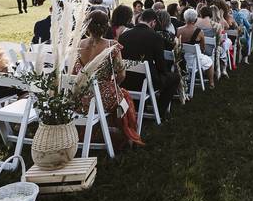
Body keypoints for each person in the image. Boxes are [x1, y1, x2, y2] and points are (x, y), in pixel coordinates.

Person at [72, 10, 143, 149]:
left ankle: (101, 132)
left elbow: (73, 72)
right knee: (124, 96)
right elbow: (122, 75)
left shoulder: (78, 44)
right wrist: (112, 86)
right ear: (106, 26)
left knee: (118, 94)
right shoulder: (112, 46)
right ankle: (126, 137)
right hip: (101, 98)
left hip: (79, 99)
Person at [117, 9, 181, 117]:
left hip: (125, 80)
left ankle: (140, 106)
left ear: (140, 19)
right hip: (145, 82)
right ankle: (160, 112)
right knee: (174, 78)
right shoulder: (155, 37)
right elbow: (161, 65)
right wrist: (164, 73)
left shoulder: (124, 35)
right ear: (153, 22)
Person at [178, 8, 215, 89]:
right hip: (195, 60)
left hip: (182, 61)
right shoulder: (199, 31)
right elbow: (203, 47)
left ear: (185, 18)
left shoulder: (179, 30)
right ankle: (211, 82)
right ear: (195, 18)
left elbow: (177, 46)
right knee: (210, 62)